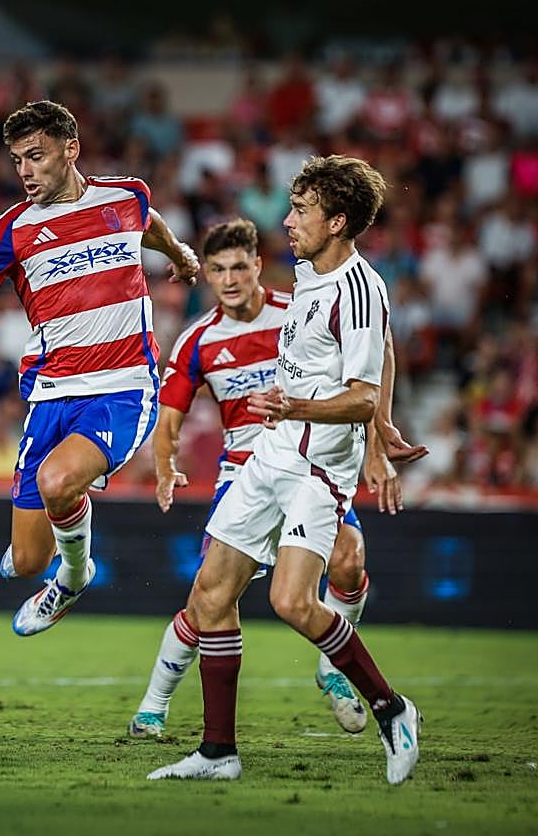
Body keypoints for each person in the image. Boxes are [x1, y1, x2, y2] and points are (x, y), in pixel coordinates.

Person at [148, 156, 425, 785]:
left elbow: (360, 389)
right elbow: (362, 364)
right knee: (212, 591)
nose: (288, 219)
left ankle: (392, 708)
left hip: (317, 468)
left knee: (291, 601)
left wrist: (359, 429)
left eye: (301, 210)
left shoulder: (359, 288)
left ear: (339, 220)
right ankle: (218, 752)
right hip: (272, 451)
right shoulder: (306, 277)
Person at [0, 100, 199, 636]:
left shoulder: (126, 196)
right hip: (51, 392)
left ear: (70, 149)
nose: (25, 171)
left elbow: (151, 224)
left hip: (123, 386)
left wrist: (180, 254)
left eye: (37, 156)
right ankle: (60, 567)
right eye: (17, 161)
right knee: (26, 560)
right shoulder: (13, 230)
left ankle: (73, 579)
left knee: (57, 481)